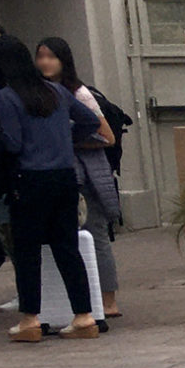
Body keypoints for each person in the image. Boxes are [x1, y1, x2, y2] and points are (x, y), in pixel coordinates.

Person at [0, 33, 101, 342]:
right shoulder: (55, 91)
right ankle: (84, 316)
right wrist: (65, 141)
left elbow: (12, 143)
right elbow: (90, 121)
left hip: (30, 179)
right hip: (64, 177)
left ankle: (30, 319)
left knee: (27, 252)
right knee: (67, 248)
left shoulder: (7, 97)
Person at [36, 36, 123, 320]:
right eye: (41, 56)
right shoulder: (39, 93)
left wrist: (68, 142)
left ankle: (109, 299)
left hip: (88, 176)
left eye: (52, 57)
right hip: (63, 175)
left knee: (96, 235)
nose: (46, 62)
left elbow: (107, 137)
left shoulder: (78, 93)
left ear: (64, 61)